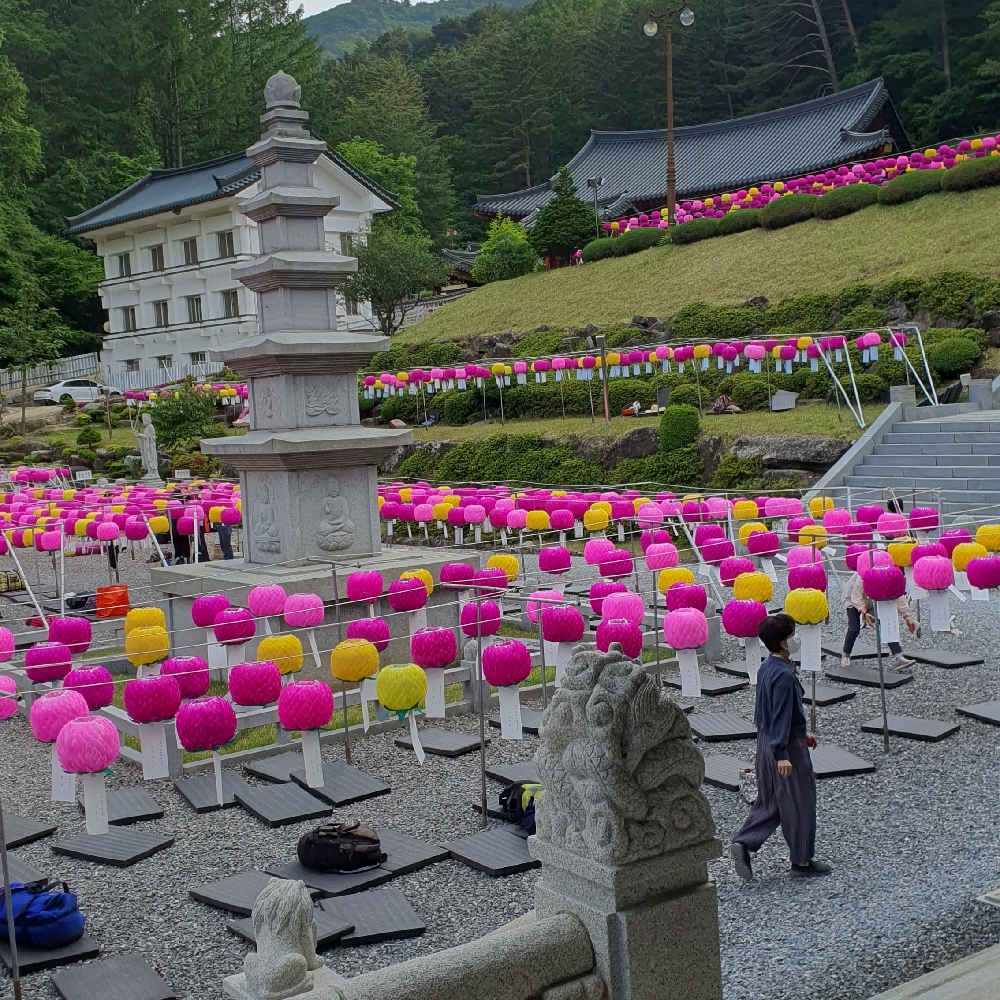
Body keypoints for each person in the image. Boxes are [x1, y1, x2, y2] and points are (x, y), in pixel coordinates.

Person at [731, 613, 831, 881]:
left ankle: (743, 842)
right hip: (783, 745)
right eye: (792, 634)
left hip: (765, 740)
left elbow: (773, 711)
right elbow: (781, 714)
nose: (795, 638)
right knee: (800, 800)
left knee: (772, 799)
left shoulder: (767, 667)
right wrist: (782, 753)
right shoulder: (785, 675)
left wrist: (802, 732)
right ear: (784, 641)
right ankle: (801, 861)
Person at [842, 570, 916, 670]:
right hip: (852, 599)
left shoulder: (890, 576)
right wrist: (864, 612)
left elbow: (898, 596)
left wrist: (907, 617)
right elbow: (856, 597)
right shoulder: (862, 575)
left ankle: (898, 658)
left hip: (873, 600)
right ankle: (846, 654)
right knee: (854, 628)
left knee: (886, 623)